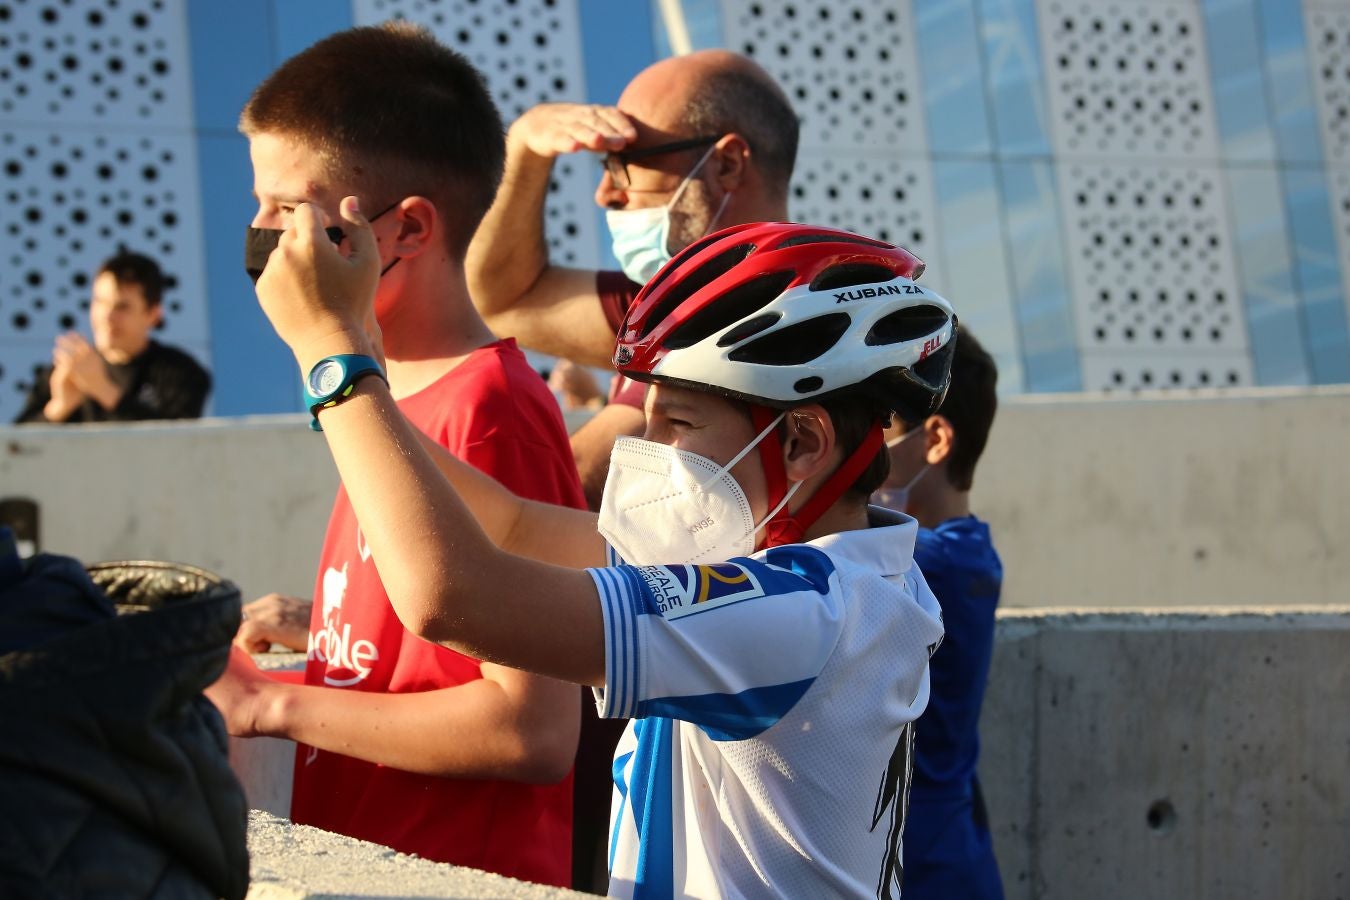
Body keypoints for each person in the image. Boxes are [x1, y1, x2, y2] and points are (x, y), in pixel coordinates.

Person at [232, 211, 959, 898]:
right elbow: (512, 526)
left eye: (677, 423)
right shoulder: (838, 579)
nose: (651, 454)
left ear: (802, 442)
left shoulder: (802, 615)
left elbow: (452, 598)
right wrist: (352, 360)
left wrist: (331, 358)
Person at [206, 24, 585, 888]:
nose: (261, 234)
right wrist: (342, 640)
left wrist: (273, 704)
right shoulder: (384, 393)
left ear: (407, 228)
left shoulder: (490, 408)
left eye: (287, 209)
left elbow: (530, 729)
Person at [465, 49, 799, 509]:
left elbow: (568, 490)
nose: (605, 194)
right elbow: (504, 298)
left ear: (727, 165)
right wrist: (525, 147)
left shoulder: (751, 306)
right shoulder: (666, 299)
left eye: (626, 161)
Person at [874, 329, 1004, 899]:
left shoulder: (931, 562)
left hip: (922, 861)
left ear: (936, 441)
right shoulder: (970, 551)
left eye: (880, 431)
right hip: (948, 847)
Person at [14, 251, 211, 423]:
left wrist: (105, 391)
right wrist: (59, 408)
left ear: (153, 314)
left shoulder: (181, 373)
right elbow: (12, 450)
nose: (107, 317)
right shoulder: (65, 372)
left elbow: (181, 443)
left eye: (122, 307)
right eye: (100, 302)